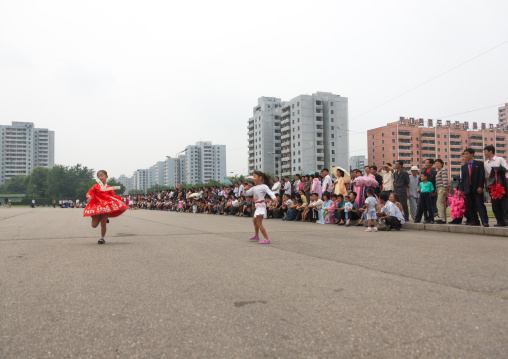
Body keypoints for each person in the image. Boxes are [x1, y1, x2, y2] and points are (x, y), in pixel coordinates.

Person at [83, 170, 128, 244]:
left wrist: (120, 204)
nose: (100, 177)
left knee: (103, 223)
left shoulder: (109, 188)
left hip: (106, 208)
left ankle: (102, 238)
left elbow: (113, 197)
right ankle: (102, 219)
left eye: (102, 175)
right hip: (97, 208)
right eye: (99, 176)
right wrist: (89, 196)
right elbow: (89, 193)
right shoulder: (95, 187)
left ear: (106, 177)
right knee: (94, 225)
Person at [244, 170, 277, 244]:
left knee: (259, 223)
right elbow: (246, 194)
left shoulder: (264, 186)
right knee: (254, 220)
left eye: (254, 176)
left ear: (260, 177)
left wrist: (274, 198)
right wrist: (245, 189)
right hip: (257, 206)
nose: (253, 178)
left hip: (261, 206)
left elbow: (270, 192)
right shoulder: (254, 187)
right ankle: (256, 235)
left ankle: (267, 239)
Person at [458, 148, 488, 227]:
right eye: (464, 154)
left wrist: (481, 186)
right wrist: (461, 189)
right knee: (470, 206)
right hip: (467, 189)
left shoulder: (479, 164)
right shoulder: (463, 167)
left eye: (467, 154)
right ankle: (475, 221)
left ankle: (485, 221)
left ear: (472, 154)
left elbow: (481, 176)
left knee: (480, 205)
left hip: (477, 188)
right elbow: (462, 179)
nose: (465, 155)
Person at [484, 145, 508, 225]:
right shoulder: (486, 163)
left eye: (485, 151)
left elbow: (506, 169)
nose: (484, 153)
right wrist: (486, 186)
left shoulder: (500, 159)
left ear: (491, 151)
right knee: (495, 205)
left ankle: (506, 219)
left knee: (504, 203)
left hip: (501, 185)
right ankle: (499, 221)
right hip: (492, 186)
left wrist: (498, 169)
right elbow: (486, 176)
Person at [434, 159, 450, 224]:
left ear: (441, 164)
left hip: (442, 189)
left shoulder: (443, 171)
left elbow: (445, 180)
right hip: (439, 189)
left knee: (439, 203)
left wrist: (445, 189)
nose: (437, 165)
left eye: (438, 163)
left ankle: (441, 218)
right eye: (436, 163)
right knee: (442, 204)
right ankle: (443, 219)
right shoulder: (438, 171)